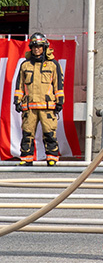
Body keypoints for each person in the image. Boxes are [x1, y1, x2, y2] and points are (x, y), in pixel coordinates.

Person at [14, 32, 63, 166]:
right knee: (27, 134)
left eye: (39, 46)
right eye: (34, 46)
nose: (36, 49)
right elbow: (19, 85)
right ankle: (26, 159)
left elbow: (58, 85)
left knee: (49, 133)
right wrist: (17, 101)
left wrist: (59, 102)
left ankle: (52, 158)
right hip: (29, 107)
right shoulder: (25, 65)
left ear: (44, 47)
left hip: (47, 107)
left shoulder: (53, 65)